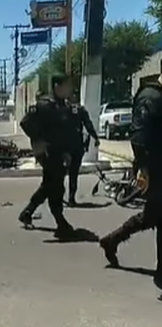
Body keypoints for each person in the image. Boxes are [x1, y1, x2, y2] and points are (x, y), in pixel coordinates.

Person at [99, 76, 162, 290]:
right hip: (154, 168)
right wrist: (143, 168)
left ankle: (112, 240)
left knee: (153, 215)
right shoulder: (150, 97)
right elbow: (138, 135)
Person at [18, 75, 75, 238]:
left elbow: (64, 132)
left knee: (49, 185)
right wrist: (38, 140)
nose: (69, 89)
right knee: (56, 187)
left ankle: (28, 212)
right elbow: (25, 122)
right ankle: (60, 221)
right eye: (67, 86)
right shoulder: (44, 106)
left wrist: (67, 152)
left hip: (59, 153)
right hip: (49, 153)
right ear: (57, 87)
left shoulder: (62, 105)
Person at [67, 96, 100, 206]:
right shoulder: (81, 110)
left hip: (64, 146)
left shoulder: (61, 109)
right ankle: (71, 198)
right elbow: (88, 125)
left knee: (59, 173)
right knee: (73, 173)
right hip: (76, 145)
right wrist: (95, 137)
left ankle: (58, 197)